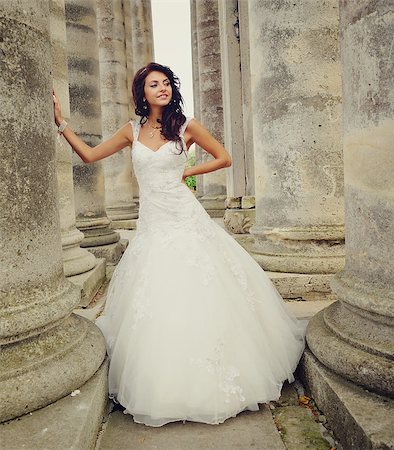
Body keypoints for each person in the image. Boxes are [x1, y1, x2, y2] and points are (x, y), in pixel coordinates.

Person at [53, 62, 306, 427]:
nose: (163, 88)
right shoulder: (131, 130)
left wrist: (187, 170)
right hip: (153, 224)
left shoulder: (186, 127)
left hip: (185, 218)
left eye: (167, 82)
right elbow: (90, 155)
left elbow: (224, 158)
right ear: (142, 93)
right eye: (154, 84)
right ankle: (163, 377)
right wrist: (62, 124)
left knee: (200, 287)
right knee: (157, 294)